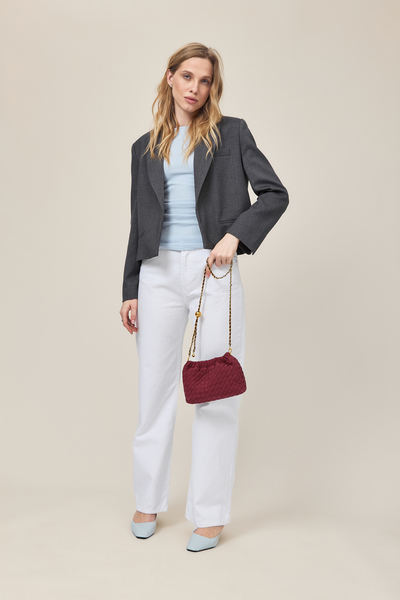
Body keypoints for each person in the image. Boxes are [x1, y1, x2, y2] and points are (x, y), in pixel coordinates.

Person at [120, 42, 289, 552]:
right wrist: (130, 287)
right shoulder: (143, 147)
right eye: (188, 76)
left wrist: (235, 236)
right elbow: (138, 221)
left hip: (212, 270)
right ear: (170, 77)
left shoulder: (231, 133)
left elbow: (274, 193)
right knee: (153, 390)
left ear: (213, 87)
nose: (195, 87)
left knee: (214, 391)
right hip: (157, 273)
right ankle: (147, 500)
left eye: (206, 80)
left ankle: (210, 514)